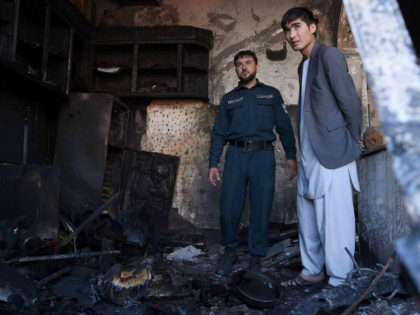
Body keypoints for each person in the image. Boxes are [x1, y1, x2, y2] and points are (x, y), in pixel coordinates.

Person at [280, 7, 362, 287]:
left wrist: (353, 139)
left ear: (313, 27)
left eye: (297, 27)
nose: (292, 34)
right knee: (307, 211)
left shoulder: (329, 55)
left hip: (332, 151)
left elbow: (349, 102)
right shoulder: (303, 65)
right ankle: (313, 270)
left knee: (335, 217)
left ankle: (341, 278)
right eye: (288, 30)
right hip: (310, 153)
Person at [208, 50, 297, 276]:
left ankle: (256, 256)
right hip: (236, 155)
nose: (243, 67)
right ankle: (230, 250)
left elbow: (285, 128)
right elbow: (218, 133)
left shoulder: (271, 95)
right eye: (239, 64)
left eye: (248, 63)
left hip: (263, 157)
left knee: (261, 206)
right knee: (229, 207)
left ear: (257, 67)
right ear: (236, 69)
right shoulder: (229, 99)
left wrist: (291, 156)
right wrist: (213, 163)